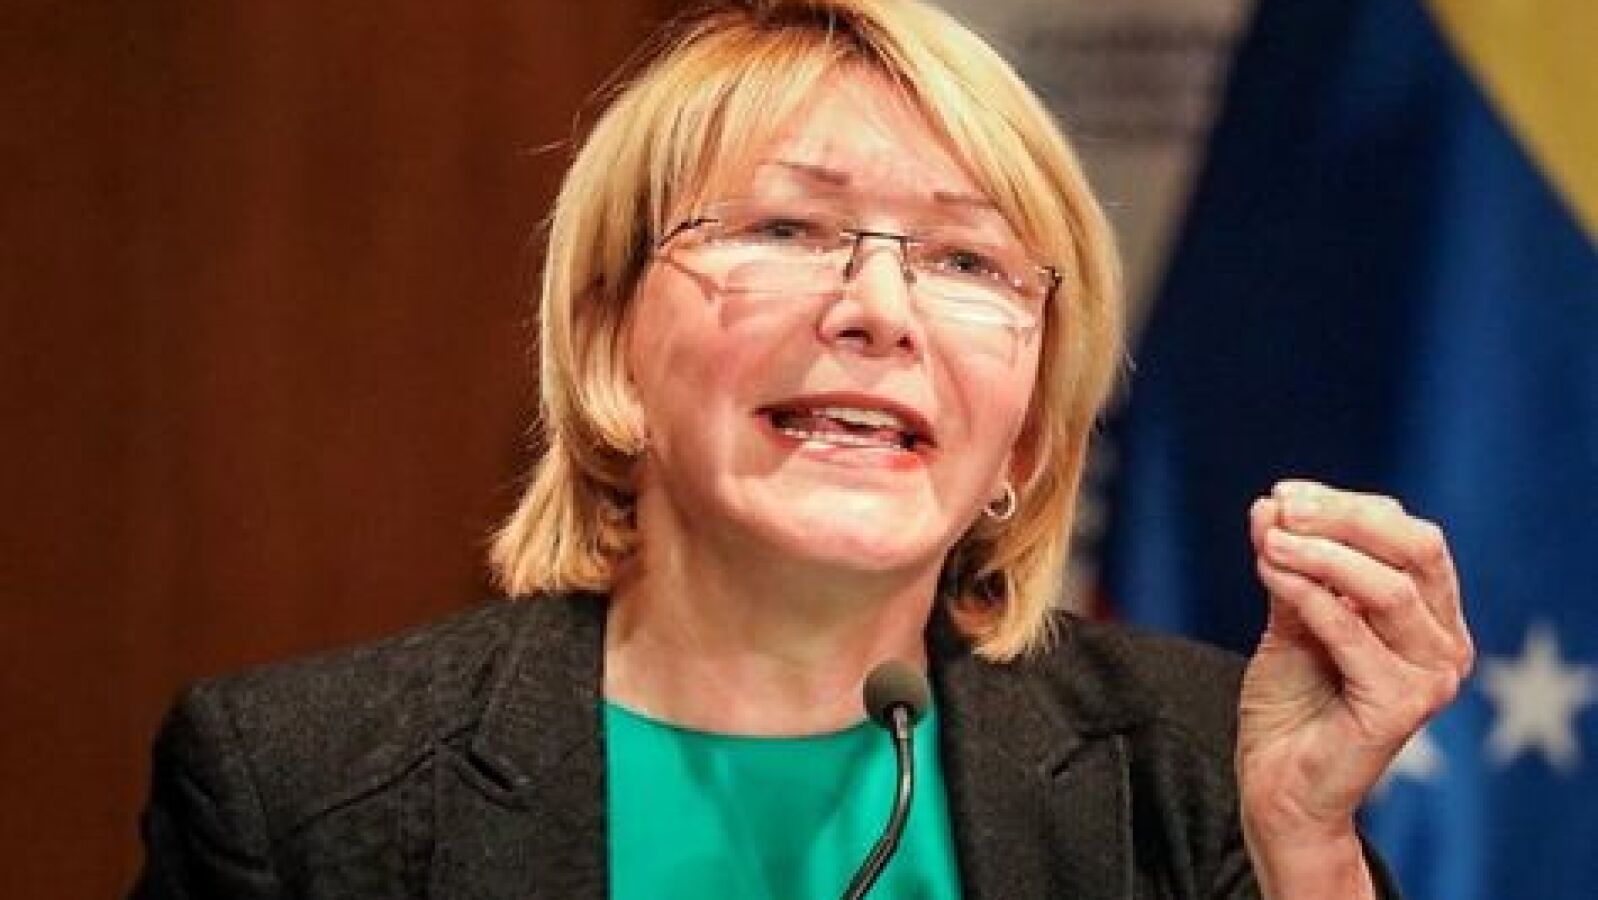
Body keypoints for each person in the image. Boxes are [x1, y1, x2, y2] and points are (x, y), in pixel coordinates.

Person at [130, 1, 1474, 897]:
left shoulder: (1189, 766)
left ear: (1026, 426)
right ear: (607, 348)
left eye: (965, 260)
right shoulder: (302, 789)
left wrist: (1303, 851)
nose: (878, 309)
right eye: (786, 229)